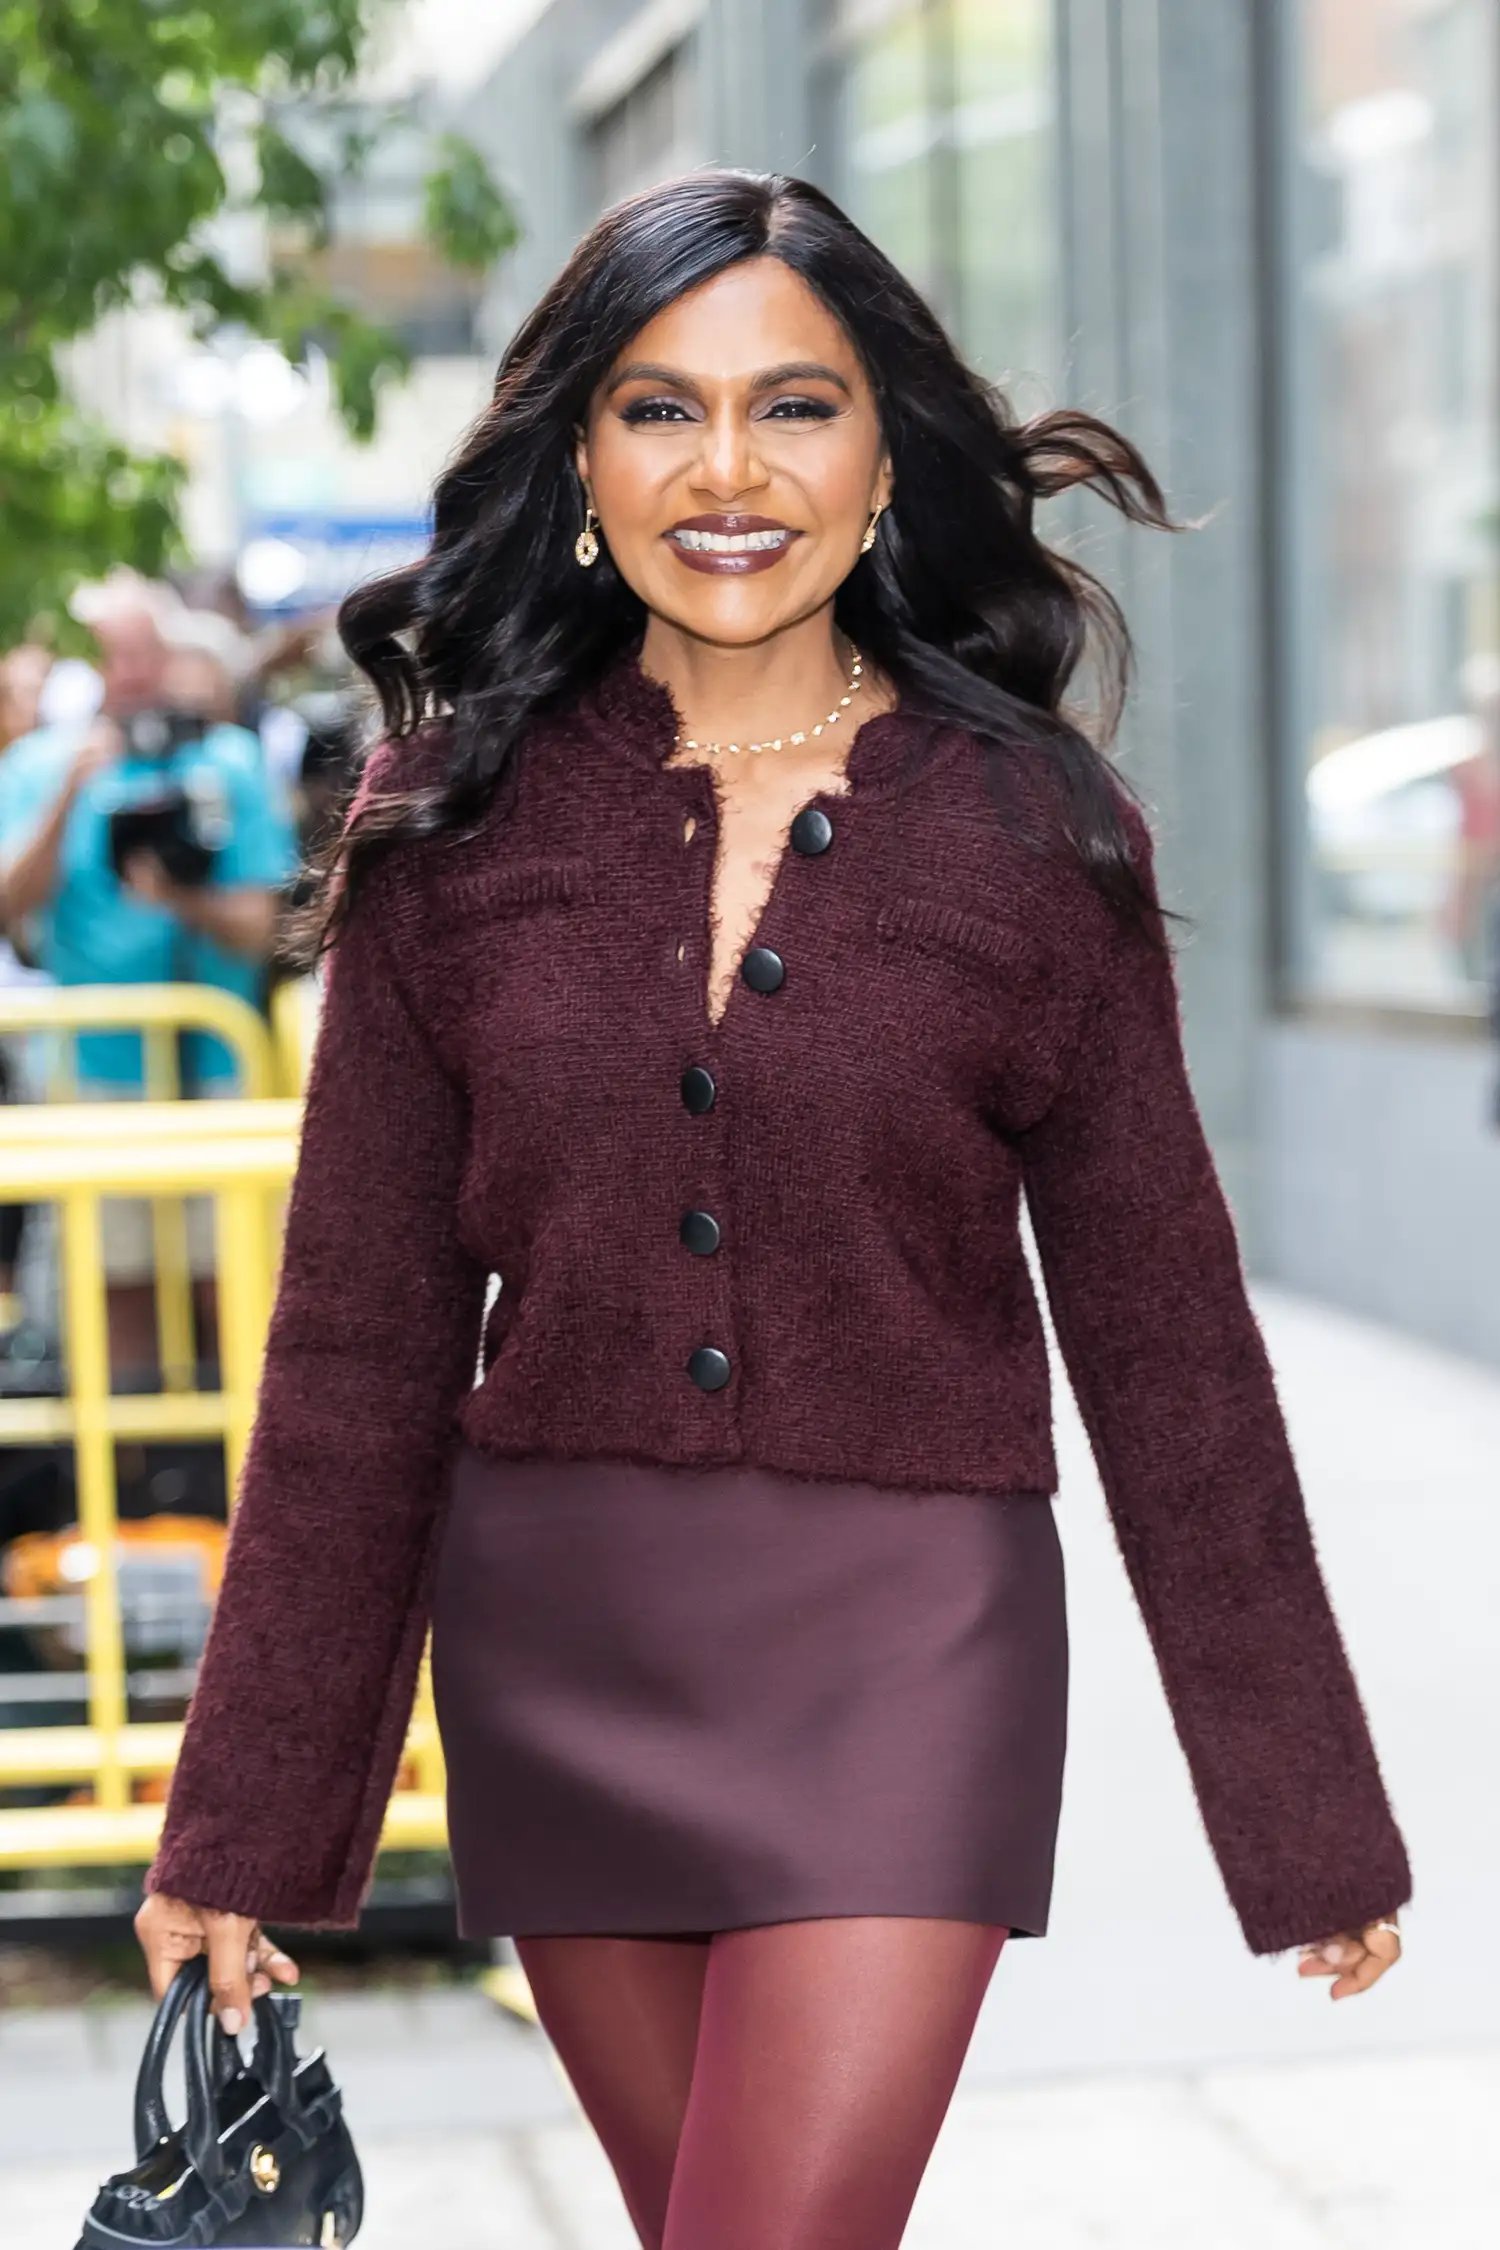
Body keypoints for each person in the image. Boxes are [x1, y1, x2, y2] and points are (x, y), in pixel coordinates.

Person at [134, 171, 1410, 2250]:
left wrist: (1305, 1813)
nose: (726, 470)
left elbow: (1174, 1354)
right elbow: (356, 1351)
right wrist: (244, 1820)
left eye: (793, 407)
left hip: (911, 1650)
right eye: (660, 409)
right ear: (578, 461)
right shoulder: (445, 826)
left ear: (885, 453)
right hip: (563, 1654)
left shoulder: (1037, 833)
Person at [0, 574, 300, 1384]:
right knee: (115, 1291)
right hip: (92, 1077)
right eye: (113, 654)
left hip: (215, 1067)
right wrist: (70, 795)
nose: (130, 673)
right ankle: (132, 1463)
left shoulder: (226, 761)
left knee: (232, 1289)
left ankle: (242, 1458)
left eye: (144, 652)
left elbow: (261, 926)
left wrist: (180, 897)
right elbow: (9, 905)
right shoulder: (39, 766)